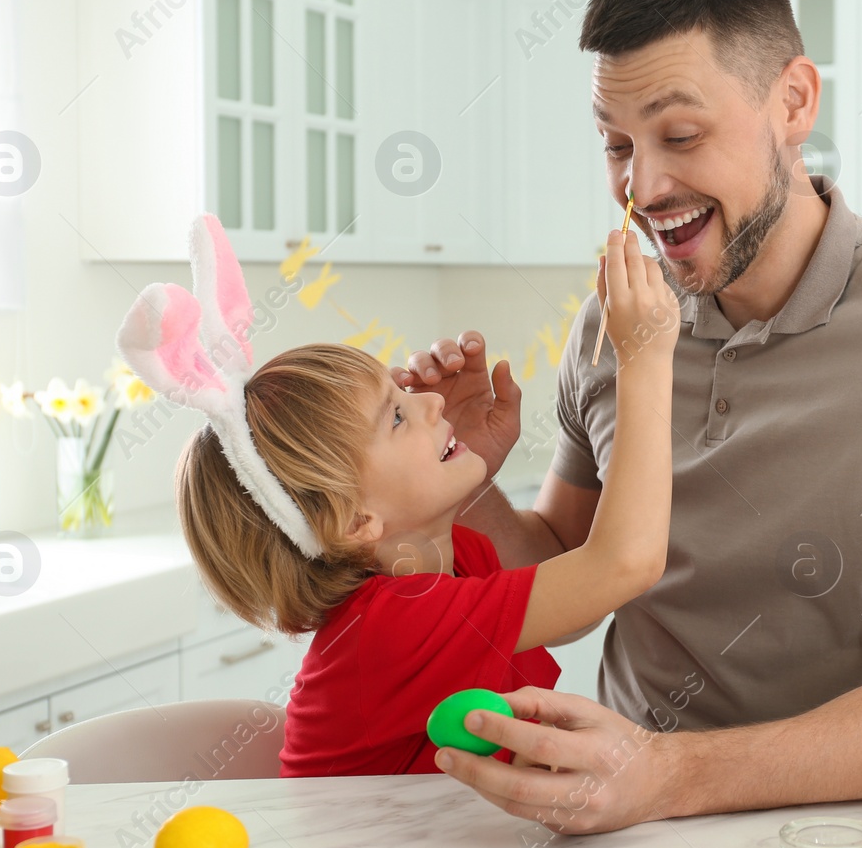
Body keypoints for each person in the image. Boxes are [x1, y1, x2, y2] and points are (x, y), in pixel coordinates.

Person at [392, 0, 862, 831]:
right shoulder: (614, 322)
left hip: (840, 831)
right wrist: (461, 481)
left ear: (793, 102)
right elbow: (562, 578)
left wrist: (671, 773)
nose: (643, 186)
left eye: (681, 135)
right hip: (616, 821)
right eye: (617, 145)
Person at [118, 216, 679, 777]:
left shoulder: (460, 558)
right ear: (356, 520)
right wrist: (645, 358)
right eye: (397, 416)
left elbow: (564, 603)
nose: (432, 404)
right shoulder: (389, 627)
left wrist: (469, 460)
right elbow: (622, 564)